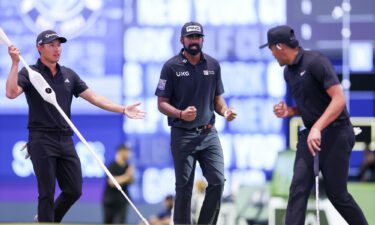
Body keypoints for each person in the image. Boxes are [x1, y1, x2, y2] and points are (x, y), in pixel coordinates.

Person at [5, 30, 145, 223]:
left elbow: (94, 97)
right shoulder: (30, 73)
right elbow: (11, 93)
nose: (57, 49)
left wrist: (121, 109)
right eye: (52, 45)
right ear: (40, 48)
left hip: (65, 138)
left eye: (59, 45)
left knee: (74, 189)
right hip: (41, 139)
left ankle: (48, 219)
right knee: (46, 192)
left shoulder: (69, 74)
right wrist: (14, 63)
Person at [260, 25, 368, 225]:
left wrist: (317, 127)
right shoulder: (288, 73)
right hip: (310, 135)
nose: (272, 54)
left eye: (272, 49)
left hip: (337, 133)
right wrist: (290, 111)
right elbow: (312, 106)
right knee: (298, 189)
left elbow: (338, 100)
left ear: (280, 46)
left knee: (338, 195)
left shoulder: (316, 62)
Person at [155, 21, 237, 225]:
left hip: (209, 134)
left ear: (202, 40)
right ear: (182, 40)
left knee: (218, 181)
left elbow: (217, 99)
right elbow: (162, 103)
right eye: (190, 37)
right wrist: (181, 114)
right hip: (182, 134)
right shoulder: (171, 66)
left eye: (197, 37)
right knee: (184, 187)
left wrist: (225, 111)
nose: (194, 41)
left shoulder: (213, 65)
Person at [102, 144, 134, 224]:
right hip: (110, 201)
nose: (128, 154)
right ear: (121, 152)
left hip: (122, 200)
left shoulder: (127, 166)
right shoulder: (112, 165)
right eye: (127, 152)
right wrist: (127, 176)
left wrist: (130, 175)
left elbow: (132, 181)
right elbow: (112, 182)